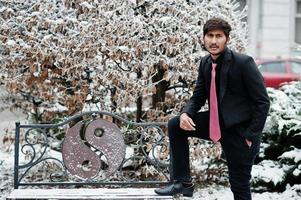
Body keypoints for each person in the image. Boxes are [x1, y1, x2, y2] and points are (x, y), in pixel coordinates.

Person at [154, 17, 270, 200]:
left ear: (227, 39)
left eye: (218, 36)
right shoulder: (205, 63)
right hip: (215, 123)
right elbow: (199, 95)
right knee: (176, 125)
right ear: (204, 38)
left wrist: (249, 136)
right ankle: (183, 183)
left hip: (239, 132)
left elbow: (263, 103)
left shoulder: (244, 63)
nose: (214, 41)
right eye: (210, 36)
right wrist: (186, 113)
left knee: (239, 186)